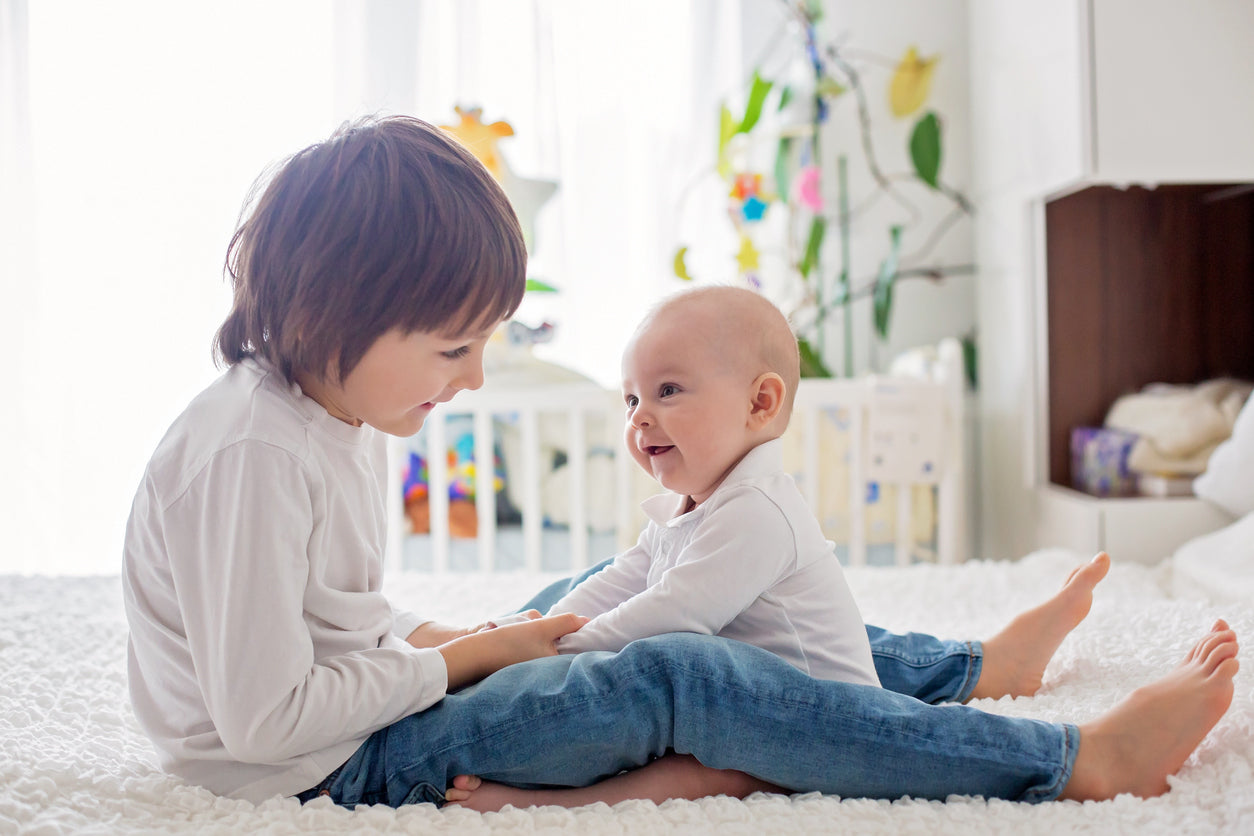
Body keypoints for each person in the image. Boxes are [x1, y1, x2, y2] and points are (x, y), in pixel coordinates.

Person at [121, 115, 1239, 813]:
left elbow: (333, 618)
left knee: (613, 600)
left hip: (349, 718)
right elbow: (270, 721)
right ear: (338, 311)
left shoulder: (327, 418)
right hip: (325, 766)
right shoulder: (253, 458)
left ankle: (963, 663)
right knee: (686, 666)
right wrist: (463, 663)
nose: (467, 381)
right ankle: (1071, 759)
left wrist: (445, 640)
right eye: (451, 347)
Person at [541, 286, 877, 690]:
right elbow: (618, 583)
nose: (638, 417)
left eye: (667, 390)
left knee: (660, 663)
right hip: (755, 705)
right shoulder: (687, 508)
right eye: (631, 399)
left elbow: (671, 613)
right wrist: (546, 628)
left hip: (824, 717)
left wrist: (557, 649)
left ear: (759, 403)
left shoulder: (759, 512)